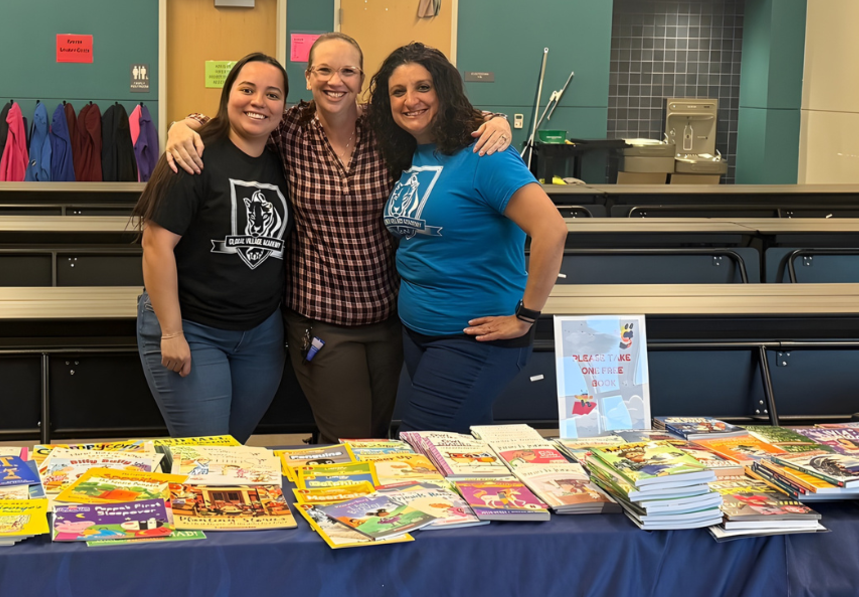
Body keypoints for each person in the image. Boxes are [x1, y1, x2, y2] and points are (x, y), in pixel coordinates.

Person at [163, 34, 514, 443]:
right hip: (321, 314)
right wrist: (181, 125)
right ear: (309, 76)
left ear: (362, 79)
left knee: (378, 436)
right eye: (324, 70)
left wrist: (497, 118)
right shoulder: (288, 128)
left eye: (348, 71)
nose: (336, 80)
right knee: (349, 440)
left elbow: (444, 115)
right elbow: (231, 122)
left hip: (387, 312)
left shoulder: (387, 127)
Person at [368, 43, 567, 435]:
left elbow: (552, 229)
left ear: (444, 90)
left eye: (423, 87)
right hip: (419, 332)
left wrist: (526, 315)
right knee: (459, 447)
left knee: (424, 444)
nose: (411, 100)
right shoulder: (412, 153)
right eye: (398, 91)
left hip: (474, 337)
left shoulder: (485, 154)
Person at [133, 52, 292, 443]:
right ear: (227, 95)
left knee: (231, 450)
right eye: (247, 89)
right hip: (192, 327)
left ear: (284, 107)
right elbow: (155, 245)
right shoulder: (192, 154)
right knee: (207, 454)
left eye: (272, 94)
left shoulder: (285, 159)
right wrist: (171, 332)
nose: (259, 101)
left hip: (261, 334)